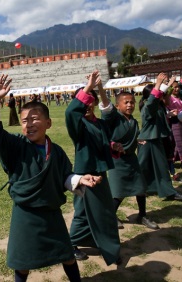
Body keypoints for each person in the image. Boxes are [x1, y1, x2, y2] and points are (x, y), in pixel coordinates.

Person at [0, 74, 101, 282]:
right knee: (22, 264)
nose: (29, 124)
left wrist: (80, 180)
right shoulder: (16, 147)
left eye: (34, 119)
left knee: (68, 256)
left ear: (48, 123)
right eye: (25, 121)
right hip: (26, 215)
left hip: (51, 213)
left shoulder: (57, 152)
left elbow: (65, 176)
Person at [65, 70, 121, 266]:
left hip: (100, 174)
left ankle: (96, 240)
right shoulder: (78, 125)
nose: (88, 105)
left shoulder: (100, 123)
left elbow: (110, 114)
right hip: (85, 175)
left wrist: (112, 146)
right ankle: (70, 245)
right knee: (82, 211)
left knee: (104, 210)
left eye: (91, 100)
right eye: (84, 100)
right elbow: (70, 112)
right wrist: (88, 88)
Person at [98, 83, 159, 230]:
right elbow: (106, 107)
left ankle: (142, 215)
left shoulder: (133, 121)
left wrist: (137, 139)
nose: (130, 105)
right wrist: (100, 87)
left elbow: (131, 134)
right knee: (118, 191)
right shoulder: (113, 118)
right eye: (126, 102)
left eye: (132, 102)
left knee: (140, 188)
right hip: (117, 160)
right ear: (117, 106)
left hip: (132, 158)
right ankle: (111, 215)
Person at [137, 73, 182, 201]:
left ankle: (158, 190)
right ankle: (163, 191)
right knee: (151, 167)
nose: (161, 94)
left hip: (153, 139)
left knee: (153, 167)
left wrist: (168, 84)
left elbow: (164, 96)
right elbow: (153, 100)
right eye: (157, 92)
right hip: (148, 141)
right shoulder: (149, 106)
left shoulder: (158, 106)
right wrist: (158, 83)